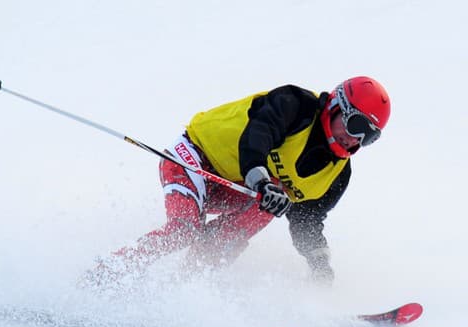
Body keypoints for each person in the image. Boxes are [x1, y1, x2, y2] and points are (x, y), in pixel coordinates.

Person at [85, 76, 391, 287]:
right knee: (183, 231)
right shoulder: (295, 105)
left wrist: (319, 264)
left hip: (234, 189)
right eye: (356, 125)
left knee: (261, 215)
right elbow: (258, 136)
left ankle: (177, 294)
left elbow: (307, 220)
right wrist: (260, 182)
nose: (355, 139)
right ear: (336, 106)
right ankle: (104, 277)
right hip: (195, 157)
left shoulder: (337, 176)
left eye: (369, 137)